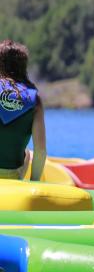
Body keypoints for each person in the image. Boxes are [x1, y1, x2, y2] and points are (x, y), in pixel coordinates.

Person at [0, 40, 46, 182]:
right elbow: (40, 151)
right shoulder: (34, 99)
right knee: (28, 153)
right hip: (11, 175)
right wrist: (34, 184)